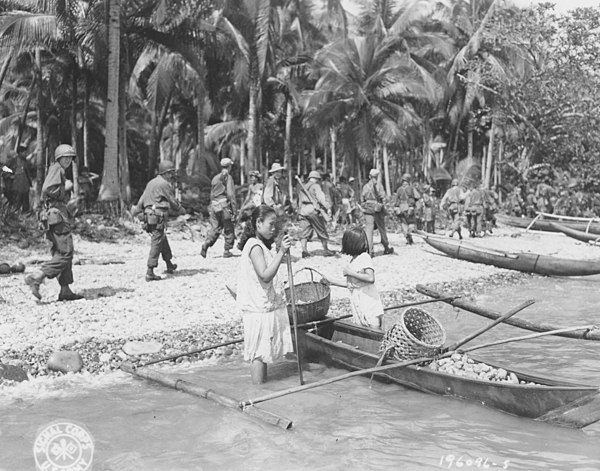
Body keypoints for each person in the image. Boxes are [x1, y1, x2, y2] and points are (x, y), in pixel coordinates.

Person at [236, 205, 294, 384]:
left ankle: (262, 387)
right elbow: (265, 275)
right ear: (258, 223)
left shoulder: (260, 245)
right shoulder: (254, 246)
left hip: (262, 305)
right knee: (258, 352)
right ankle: (258, 391)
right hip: (257, 308)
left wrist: (280, 252)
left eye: (275, 224)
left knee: (263, 350)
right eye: (271, 224)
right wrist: (282, 252)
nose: (274, 228)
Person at [24, 144, 83, 301]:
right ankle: (38, 276)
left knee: (60, 253)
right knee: (66, 252)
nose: (68, 160)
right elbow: (47, 189)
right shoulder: (57, 169)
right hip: (58, 217)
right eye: (66, 157)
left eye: (70, 158)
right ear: (59, 158)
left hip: (54, 216)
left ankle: (65, 290)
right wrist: (66, 186)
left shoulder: (56, 168)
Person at [321, 226, 384, 328]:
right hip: (358, 302)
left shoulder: (364, 257)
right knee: (363, 329)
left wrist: (351, 273)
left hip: (368, 300)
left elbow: (370, 278)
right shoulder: (353, 261)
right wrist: (331, 281)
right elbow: (352, 284)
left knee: (374, 328)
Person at [133, 160, 185, 281]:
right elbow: (172, 201)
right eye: (171, 172)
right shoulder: (164, 184)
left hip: (149, 217)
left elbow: (142, 200)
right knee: (157, 242)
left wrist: (137, 211)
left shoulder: (151, 182)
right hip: (157, 217)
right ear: (166, 173)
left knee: (162, 239)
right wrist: (181, 209)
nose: (172, 175)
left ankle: (169, 264)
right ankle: (150, 271)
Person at [201, 158, 237, 258]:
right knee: (228, 228)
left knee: (215, 228)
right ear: (229, 166)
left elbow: (211, 194)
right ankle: (227, 250)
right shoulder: (228, 177)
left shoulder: (215, 178)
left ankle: (206, 244)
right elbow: (231, 195)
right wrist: (234, 210)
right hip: (224, 206)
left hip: (214, 206)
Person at [297, 170, 335, 258]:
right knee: (321, 229)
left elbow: (299, 201)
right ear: (317, 179)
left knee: (304, 232)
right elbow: (321, 198)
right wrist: (328, 207)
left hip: (303, 211)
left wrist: (299, 212)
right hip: (313, 210)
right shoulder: (316, 186)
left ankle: (304, 250)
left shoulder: (303, 187)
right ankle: (325, 250)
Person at [362, 169, 393, 256]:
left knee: (369, 230)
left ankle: (370, 251)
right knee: (382, 229)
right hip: (377, 209)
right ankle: (386, 247)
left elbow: (362, 198)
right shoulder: (379, 185)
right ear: (377, 176)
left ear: (369, 176)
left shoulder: (365, 186)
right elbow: (383, 196)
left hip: (368, 209)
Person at [393, 173, 420, 245]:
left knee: (403, 223)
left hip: (401, 207)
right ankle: (409, 234)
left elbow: (396, 199)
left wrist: (397, 207)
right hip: (409, 207)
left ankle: (408, 238)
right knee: (411, 222)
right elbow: (418, 196)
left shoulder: (399, 189)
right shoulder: (411, 188)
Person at [9, 145, 32, 212]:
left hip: (25, 186)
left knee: (26, 203)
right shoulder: (14, 160)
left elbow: (27, 173)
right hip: (17, 185)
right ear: (20, 152)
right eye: (24, 152)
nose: (26, 154)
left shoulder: (25, 161)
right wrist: (10, 176)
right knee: (17, 203)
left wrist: (29, 183)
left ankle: (25, 215)